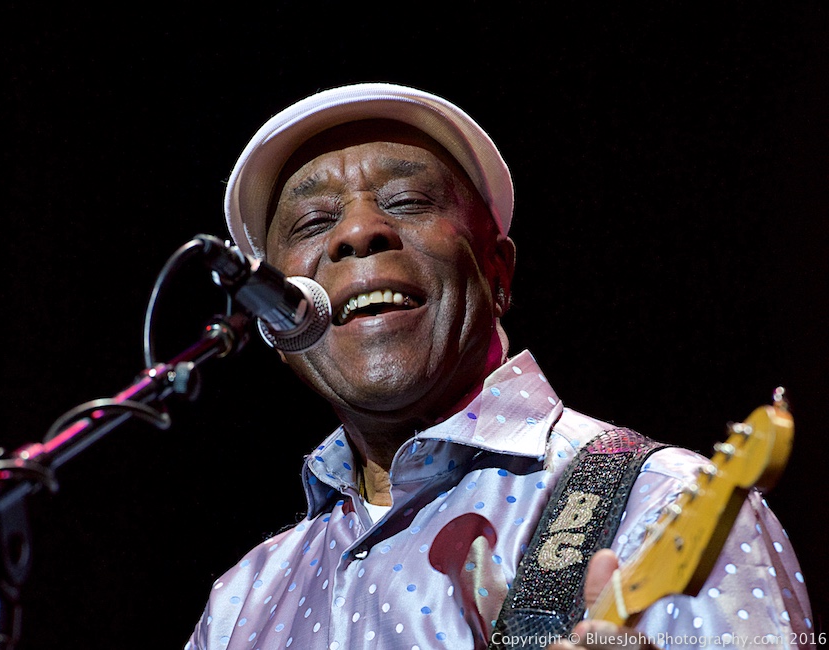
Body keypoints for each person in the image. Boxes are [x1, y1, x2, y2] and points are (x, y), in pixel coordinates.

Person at [186, 83, 814, 650]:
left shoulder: (657, 505)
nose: (358, 233)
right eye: (315, 220)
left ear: (498, 274)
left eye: (405, 201)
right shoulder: (240, 608)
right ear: (278, 320)